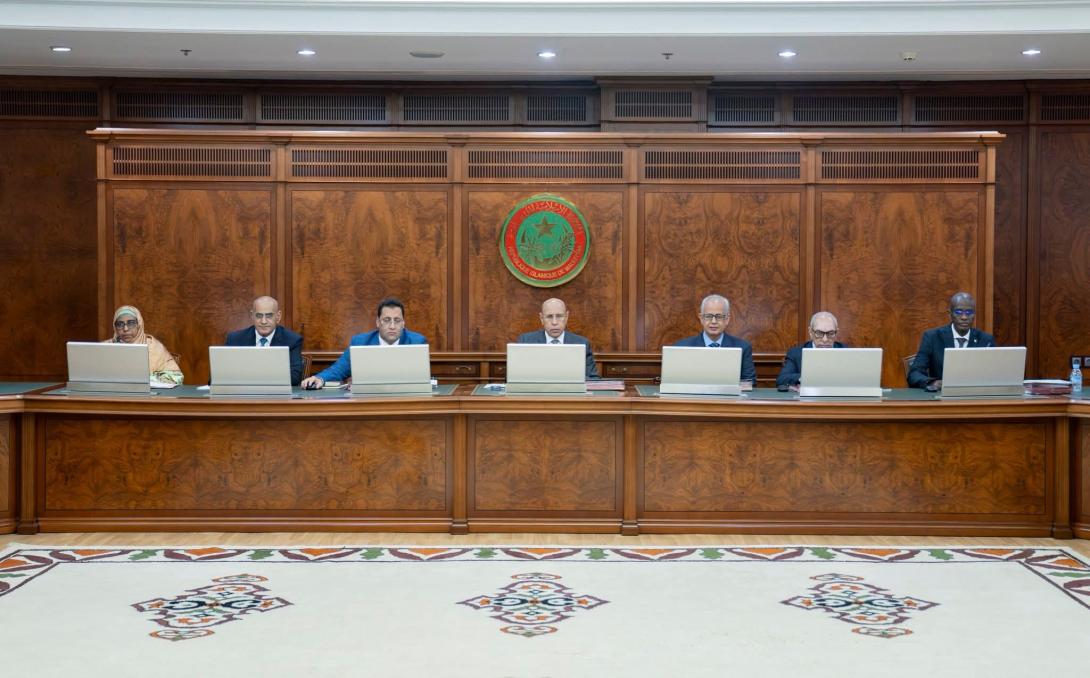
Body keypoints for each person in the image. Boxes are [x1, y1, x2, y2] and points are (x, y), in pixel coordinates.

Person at [301, 297, 427, 389]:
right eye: (387, 320)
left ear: (403, 323)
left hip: (404, 399)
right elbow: (340, 368)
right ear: (378, 322)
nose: (392, 326)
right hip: (368, 401)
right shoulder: (360, 342)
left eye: (397, 320)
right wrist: (320, 378)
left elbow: (421, 378)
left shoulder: (417, 342)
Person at [908, 291, 995, 391]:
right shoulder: (932, 337)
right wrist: (933, 382)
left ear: (974, 315)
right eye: (958, 312)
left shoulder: (986, 340)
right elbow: (914, 373)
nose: (964, 317)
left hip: (975, 395)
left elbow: (995, 373)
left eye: (969, 312)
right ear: (950, 314)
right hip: (941, 396)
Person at [675, 294, 756, 384]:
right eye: (709, 316)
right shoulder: (682, 347)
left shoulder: (743, 347)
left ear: (727, 319)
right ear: (701, 318)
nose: (713, 321)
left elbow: (750, 382)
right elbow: (675, 381)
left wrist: (727, 388)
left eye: (719, 316)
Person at [225, 296, 304, 385]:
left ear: (278, 317)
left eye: (269, 316)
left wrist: (251, 376)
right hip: (244, 391)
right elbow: (222, 374)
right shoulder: (235, 339)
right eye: (259, 316)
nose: (263, 321)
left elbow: (294, 377)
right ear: (252, 316)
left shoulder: (292, 340)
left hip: (275, 392)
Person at [516, 298, 599, 379]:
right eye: (549, 317)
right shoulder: (526, 341)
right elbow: (516, 376)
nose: (554, 322)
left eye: (559, 316)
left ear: (566, 317)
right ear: (541, 318)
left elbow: (593, 379)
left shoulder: (581, 343)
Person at [104, 305, 184, 384]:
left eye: (131, 323)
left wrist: (145, 380)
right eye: (120, 324)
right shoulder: (106, 347)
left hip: (149, 392)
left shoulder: (153, 346)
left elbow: (176, 377)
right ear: (115, 327)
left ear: (139, 325)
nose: (125, 329)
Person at [776, 311, 846, 391]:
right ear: (810, 332)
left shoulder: (846, 352)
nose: (825, 339)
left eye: (830, 333)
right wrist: (808, 378)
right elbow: (781, 379)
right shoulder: (796, 353)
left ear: (836, 333)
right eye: (819, 333)